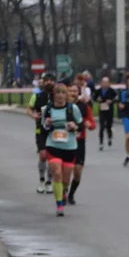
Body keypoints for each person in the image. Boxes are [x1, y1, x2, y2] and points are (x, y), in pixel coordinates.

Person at [40, 84, 82, 217]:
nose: (59, 96)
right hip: (53, 145)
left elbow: (80, 125)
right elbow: (43, 128)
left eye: (62, 93)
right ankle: (59, 205)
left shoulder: (72, 108)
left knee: (66, 178)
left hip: (69, 146)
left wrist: (74, 126)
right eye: (57, 93)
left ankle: (63, 191)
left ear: (66, 95)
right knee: (56, 173)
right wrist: (47, 124)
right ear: (53, 95)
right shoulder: (47, 109)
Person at [65, 83, 96, 205]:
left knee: (77, 171)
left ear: (79, 93)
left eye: (75, 91)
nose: (73, 93)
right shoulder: (63, 105)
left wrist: (89, 125)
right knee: (66, 170)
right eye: (70, 91)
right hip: (65, 142)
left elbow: (92, 124)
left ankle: (71, 193)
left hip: (79, 141)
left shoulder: (84, 106)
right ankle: (63, 191)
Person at [28, 73, 57, 194]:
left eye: (51, 80)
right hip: (40, 130)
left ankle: (49, 182)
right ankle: (41, 180)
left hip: (55, 131)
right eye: (47, 80)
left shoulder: (57, 96)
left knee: (51, 158)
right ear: (43, 82)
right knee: (43, 155)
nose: (49, 82)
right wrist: (33, 115)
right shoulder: (37, 96)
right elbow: (28, 109)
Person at [93, 76, 116, 151]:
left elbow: (116, 98)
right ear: (101, 83)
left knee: (109, 126)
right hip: (102, 111)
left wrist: (111, 101)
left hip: (109, 111)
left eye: (106, 83)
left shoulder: (112, 91)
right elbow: (94, 98)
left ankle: (109, 137)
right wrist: (97, 99)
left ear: (108, 83)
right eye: (104, 83)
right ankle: (101, 143)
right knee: (102, 127)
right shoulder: (98, 91)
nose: (105, 84)